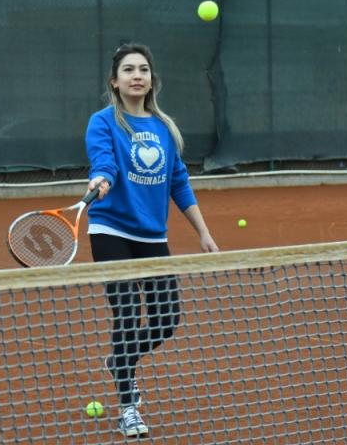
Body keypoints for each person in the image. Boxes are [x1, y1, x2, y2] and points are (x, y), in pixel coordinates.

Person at [84, 43, 218, 439]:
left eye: (143, 69)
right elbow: (103, 160)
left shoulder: (164, 127)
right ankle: (128, 406)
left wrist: (203, 231)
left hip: (151, 235)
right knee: (126, 316)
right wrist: (103, 179)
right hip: (111, 231)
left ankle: (119, 361)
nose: (136, 75)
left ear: (151, 80)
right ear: (115, 80)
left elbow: (179, 183)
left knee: (166, 319)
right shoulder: (103, 121)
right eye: (128, 70)